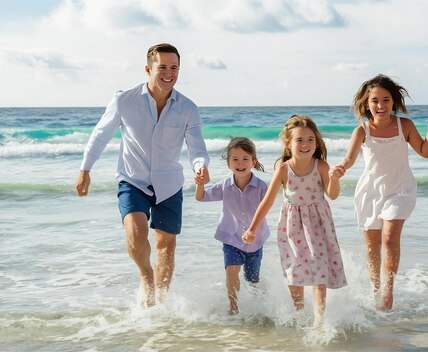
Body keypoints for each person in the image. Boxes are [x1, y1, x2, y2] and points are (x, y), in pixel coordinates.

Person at [74, 43, 210, 308]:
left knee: (166, 247)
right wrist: (84, 169)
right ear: (149, 69)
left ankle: (159, 305)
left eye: (174, 68)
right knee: (136, 236)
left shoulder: (188, 108)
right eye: (162, 67)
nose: (169, 73)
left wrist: (200, 167)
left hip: (169, 184)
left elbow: (197, 148)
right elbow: (100, 134)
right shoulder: (125, 100)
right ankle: (145, 274)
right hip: (132, 179)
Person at [331, 74, 428, 311]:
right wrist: (340, 169)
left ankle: (388, 293)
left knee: (390, 238)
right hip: (370, 192)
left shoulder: (405, 125)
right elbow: (349, 159)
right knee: (372, 246)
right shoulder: (361, 130)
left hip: (400, 189)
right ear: (366, 104)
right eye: (375, 101)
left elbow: (424, 151)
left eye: (386, 100)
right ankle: (375, 289)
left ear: (394, 101)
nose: (380, 105)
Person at [242, 115, 347, 327]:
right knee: (294, 270)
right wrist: (251, 228)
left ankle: (319, 321)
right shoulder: (283, 169)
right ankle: (299, 315)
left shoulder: (322, 166)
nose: (305, 144)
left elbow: (332, 195)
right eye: (299, 140)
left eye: (310, 139)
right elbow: (267, 201)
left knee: (319, 269)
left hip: (318, 224)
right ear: (288, 143)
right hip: (292, 226)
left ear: (316, 142)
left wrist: (334, 179)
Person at [194, 137, 270, 315]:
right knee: (232, 270)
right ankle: (233, 308)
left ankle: (257, 308)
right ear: (228, 164)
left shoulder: (262, 187)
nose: (240, 163)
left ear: (253, 162)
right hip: (230, 238)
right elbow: (201, 197)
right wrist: (200, 184)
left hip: (255, 241)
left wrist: (253, 231)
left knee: (252, 280)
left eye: (245, 159)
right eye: (235, 159)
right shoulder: (224, 186)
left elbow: (266, 209)